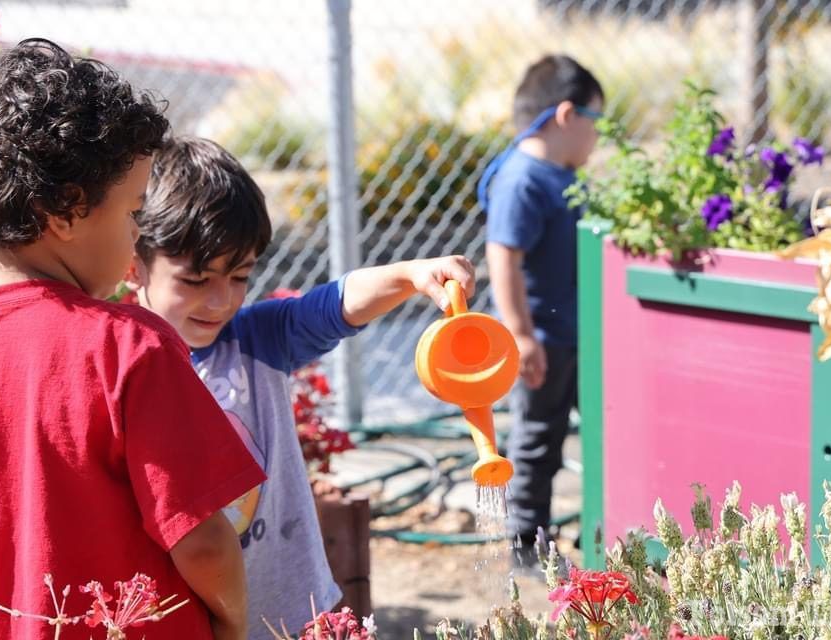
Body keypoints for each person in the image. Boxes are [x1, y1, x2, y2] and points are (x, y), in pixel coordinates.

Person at [0, 39, 265, 640]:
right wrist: (229, 620)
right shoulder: (129, 348)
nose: (136, 234)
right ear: (67, 211)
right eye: (132, 212)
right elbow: (200, 540)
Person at [125, 135, 475, 637]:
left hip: (299, 611)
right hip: (196, 622)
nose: (222, 301)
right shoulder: (124, 363)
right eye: (196, 280)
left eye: (240, 275)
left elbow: (333, 304)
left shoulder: (258, 338)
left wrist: (409, 275)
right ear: (134, 264)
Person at [479, 54, 604, 565]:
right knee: (535, 439)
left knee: (570, 433)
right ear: (567, 115)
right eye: (596, 122)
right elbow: (502, 255)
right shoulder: (524, 179)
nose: (598, 137)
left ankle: (566, 533)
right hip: (543, 342)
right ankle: (525, 544)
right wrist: (521, 335)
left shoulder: (558, 174)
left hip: (573, 334)